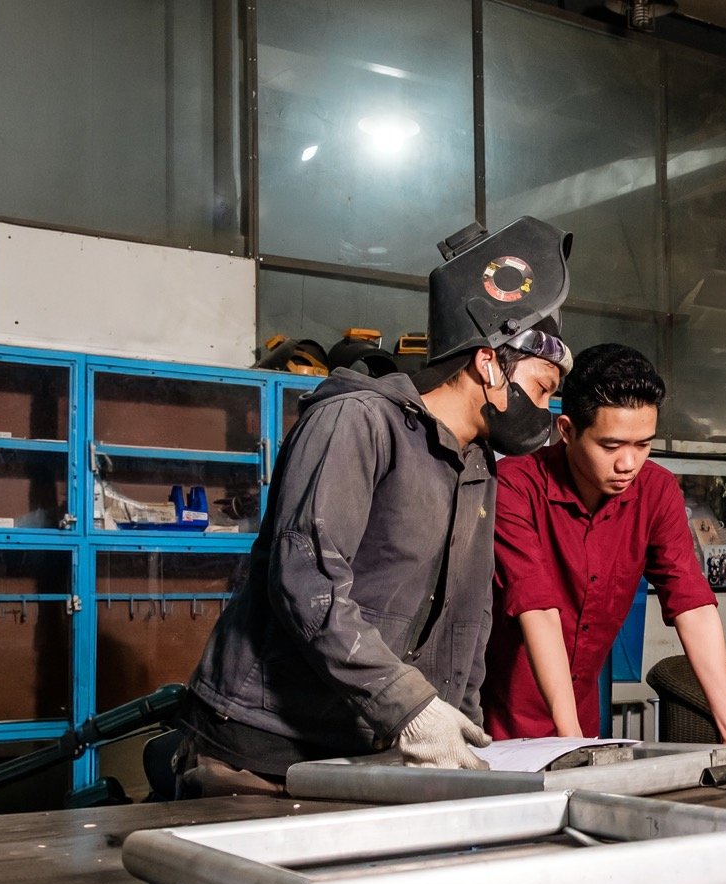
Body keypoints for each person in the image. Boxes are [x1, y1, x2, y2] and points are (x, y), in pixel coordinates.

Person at [172, 216, 574, 796]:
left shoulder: (477, 466)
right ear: (490, 364)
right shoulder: (356, 422)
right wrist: (408, 707)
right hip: (259, 751)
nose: (545, 407)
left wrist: (459, 730)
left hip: (361, 749)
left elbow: (467, 616)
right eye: (540, 386)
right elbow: (305, 580)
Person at [482, 344, 726, 746]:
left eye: (643, 445)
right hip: (494, 726)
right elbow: (538, 610)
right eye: (611, 446)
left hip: (584, 724)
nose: (628, 464)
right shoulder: (515, 485)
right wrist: (570, 742)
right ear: (566, 430)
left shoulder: (657, 491)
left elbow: (692, 605)